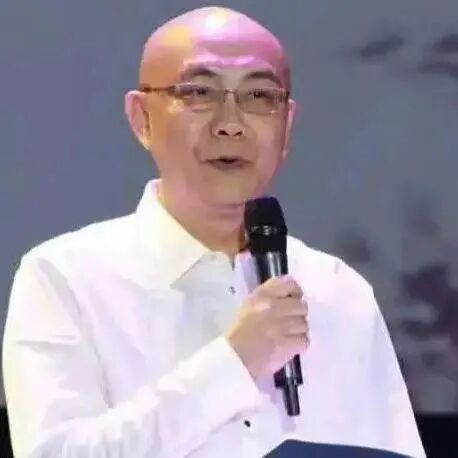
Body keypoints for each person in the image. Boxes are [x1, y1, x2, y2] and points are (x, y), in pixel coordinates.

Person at [2, 6, 426, 458]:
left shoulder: (339, 291)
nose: (230, 124)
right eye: (199, 92)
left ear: (286, 125)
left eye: (259, 96)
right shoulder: (64, 278)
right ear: (142, 118)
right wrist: (234, 361)